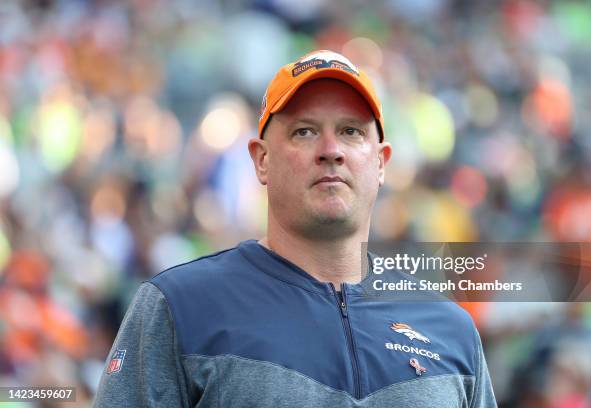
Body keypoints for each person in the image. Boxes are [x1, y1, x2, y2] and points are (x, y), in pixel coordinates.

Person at [93, 50, 497, 407]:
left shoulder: (450, 328)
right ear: (261, 160)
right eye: (304, 131)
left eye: (351, 131)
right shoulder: (180, 307)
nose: (330, 151)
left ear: (381, 163)